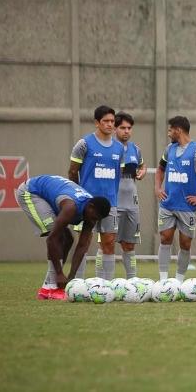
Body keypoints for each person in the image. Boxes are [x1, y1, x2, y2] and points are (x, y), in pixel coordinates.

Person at [15, 175, 111, 299]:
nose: (93, 221)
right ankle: (50, 287)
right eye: (94, 218)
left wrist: (71, 277)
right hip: (31, 192)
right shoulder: (71, 207)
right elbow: (51, 240)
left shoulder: (91, 213)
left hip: (50, 194)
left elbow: (82, 246)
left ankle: (48, 287)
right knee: (58, 237)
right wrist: (59, 274)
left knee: (68, 239)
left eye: (97, 220)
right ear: (90, 207)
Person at [154, 116, 196, 281]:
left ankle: (179, 282)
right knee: (165, 239)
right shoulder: (169, 149)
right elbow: (160, 169)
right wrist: (158, 188)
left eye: (170, 130)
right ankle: (163, 281)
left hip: (187, 207)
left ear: (178, 130)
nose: (168, 134)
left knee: (185, 244)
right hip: (167, 205)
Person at [68, 105, 124, 280]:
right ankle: (77, 283)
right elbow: (72, 172)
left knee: (109, 243)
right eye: (106, 121)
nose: (110, 124)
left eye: (112, 121)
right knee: (83, 244)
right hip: (87, 204)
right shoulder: (84, 144)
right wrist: (78, 197)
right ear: (97, 123)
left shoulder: (119, 148)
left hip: (110, 203)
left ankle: (107, 285)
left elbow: (119, 174)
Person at [114, 112, 145, 279]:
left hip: (132, 203)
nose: (126, 131)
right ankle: (103, 282)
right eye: (122, 128)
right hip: (113, 201)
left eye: (129, 128)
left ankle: (132, 281)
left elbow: (142, 166)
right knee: (106, 243)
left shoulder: (136, 149)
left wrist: (142, 171)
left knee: (129, 244)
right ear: (115, 129)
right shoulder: (110, 147)